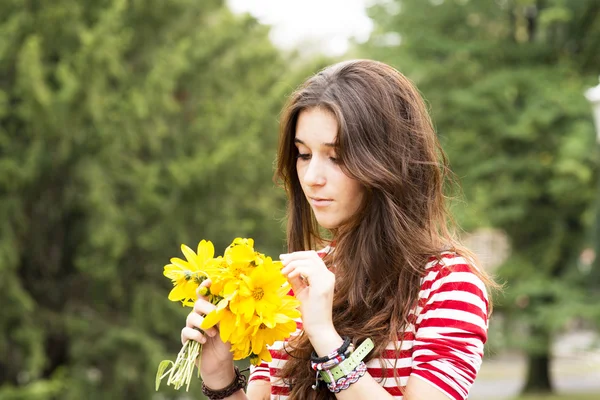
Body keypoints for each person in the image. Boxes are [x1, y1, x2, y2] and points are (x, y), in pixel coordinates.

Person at [182, 59, 496, 400]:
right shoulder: (295, 283)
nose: (312, 177)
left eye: (337, 156)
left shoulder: (448, 284)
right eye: (303, 154)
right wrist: (219, 379)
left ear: (388, 161)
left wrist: (326, 339)